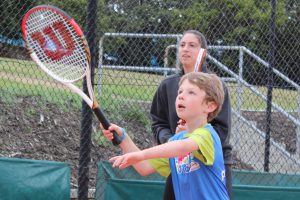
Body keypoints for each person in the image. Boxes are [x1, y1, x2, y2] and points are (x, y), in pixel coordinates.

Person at [101, 72, 229, 200]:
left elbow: (184, 146)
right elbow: (144, 167)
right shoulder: (176, 141)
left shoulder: (208, 135)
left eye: (191, 92)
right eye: (180, 92)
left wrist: (141, 154)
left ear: (210, 106)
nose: (181, 96)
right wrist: (123, 138)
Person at [150, 30, 233, 199]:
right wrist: (172, 140)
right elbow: (158, 123)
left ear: (203, 52)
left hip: (209, 163)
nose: (185, 49)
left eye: (192, 45)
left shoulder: (214, 86)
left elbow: (222, 130)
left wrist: (189, 139)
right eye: (182, 45)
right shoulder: (167, 85)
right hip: (179, 160)